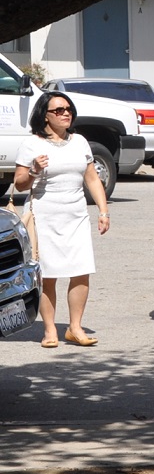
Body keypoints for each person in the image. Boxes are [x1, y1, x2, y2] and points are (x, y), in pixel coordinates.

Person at [13, 92, 109, 348]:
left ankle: (75, 328)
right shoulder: (32, 144)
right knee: (48, 274)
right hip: (45, 215)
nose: (66, 113)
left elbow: (91, 178)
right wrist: (33, 170)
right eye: (58, 110)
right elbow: (19, 183)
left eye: (68, 109)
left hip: (75, 214)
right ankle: (49, 330)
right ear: (45, 115)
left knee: (81, 271)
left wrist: (103, 210)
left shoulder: (79, 141)